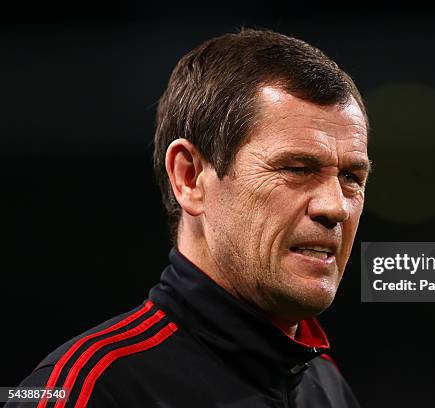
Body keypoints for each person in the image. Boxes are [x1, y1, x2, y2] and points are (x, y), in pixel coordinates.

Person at [7, 28, 370, 408]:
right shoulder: (85, 391)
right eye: (296, 168)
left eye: (351, 177)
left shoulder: (328, 387)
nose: (335, 207)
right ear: (190, 177)